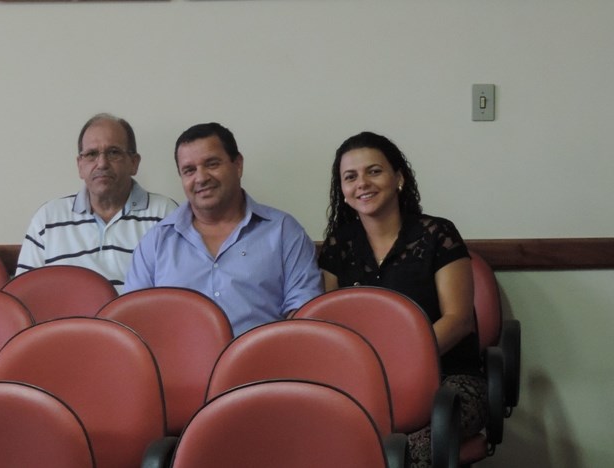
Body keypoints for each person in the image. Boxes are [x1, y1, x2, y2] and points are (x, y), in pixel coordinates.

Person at [318, 131, 487, 467]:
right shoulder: (339, 245)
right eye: (350, 177)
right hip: (366, 388)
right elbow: (330, 327)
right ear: (343, 192)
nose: (362, 183)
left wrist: (398, 366)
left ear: (398, 178)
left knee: (402, 455)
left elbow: (459, 320)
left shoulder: (438, 234)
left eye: (374, 171)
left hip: (448, 382)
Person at [124, 122, 323, 336]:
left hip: (265, 356)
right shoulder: (156, 242)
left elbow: (303, 312)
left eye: (212, 164)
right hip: (177, 358)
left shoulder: (283, 231)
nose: (201, 178)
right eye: (189, 170)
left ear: (238, 165)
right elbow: (135, 320)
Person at [16, 113, 178, 292]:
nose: (102, 164)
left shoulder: (165, 215)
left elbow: (175, 294)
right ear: (80, 166)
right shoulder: (47, 220)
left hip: (139, 312)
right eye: (91, 154)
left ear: (134, 163)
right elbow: (25, 295)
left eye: (113, 152)